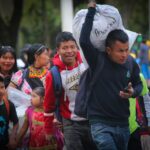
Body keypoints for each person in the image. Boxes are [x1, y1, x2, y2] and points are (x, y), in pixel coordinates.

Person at [79, 1, 143, 150]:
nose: (124, 54)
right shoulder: (97, 60)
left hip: (123, 125)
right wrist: (91, 12)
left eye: (127, 49)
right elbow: (83, 40)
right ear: (108, 50)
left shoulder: (131, 63)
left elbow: (139, 85)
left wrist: (133, 92)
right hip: (100, 124)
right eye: (120, 51)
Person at [44, 31, 97, 150]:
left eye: (72, 47)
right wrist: (48, 130)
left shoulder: (86, 62)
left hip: (94, 120)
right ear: (58, 50)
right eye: (65, 48)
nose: (69, 51)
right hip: (70, 124)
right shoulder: (53, 74)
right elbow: (48, 104)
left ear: (77, 47)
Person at [0, 76, 18, 149]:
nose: (0, 91)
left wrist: (12, 137)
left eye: (2, 87)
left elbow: (16, 123)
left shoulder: (9, 105)